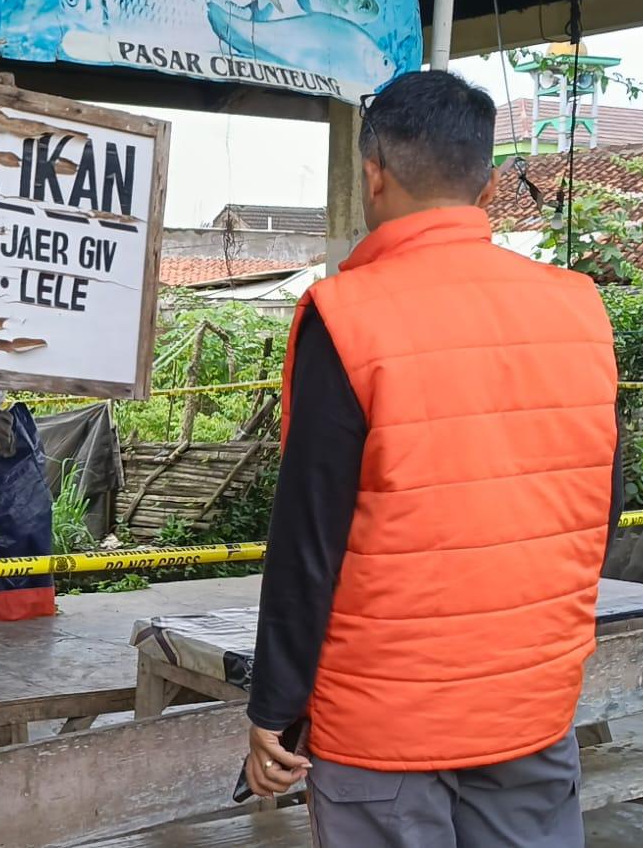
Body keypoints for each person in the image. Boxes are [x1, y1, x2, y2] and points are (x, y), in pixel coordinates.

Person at [241, 71, 621, 848]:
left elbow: (309, 540)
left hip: (384, 723)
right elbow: (599, 504)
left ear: (374, 174)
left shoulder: (348, 317)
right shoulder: (579, 306)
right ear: (486, 184)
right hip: (530, 701)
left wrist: (274, 705)